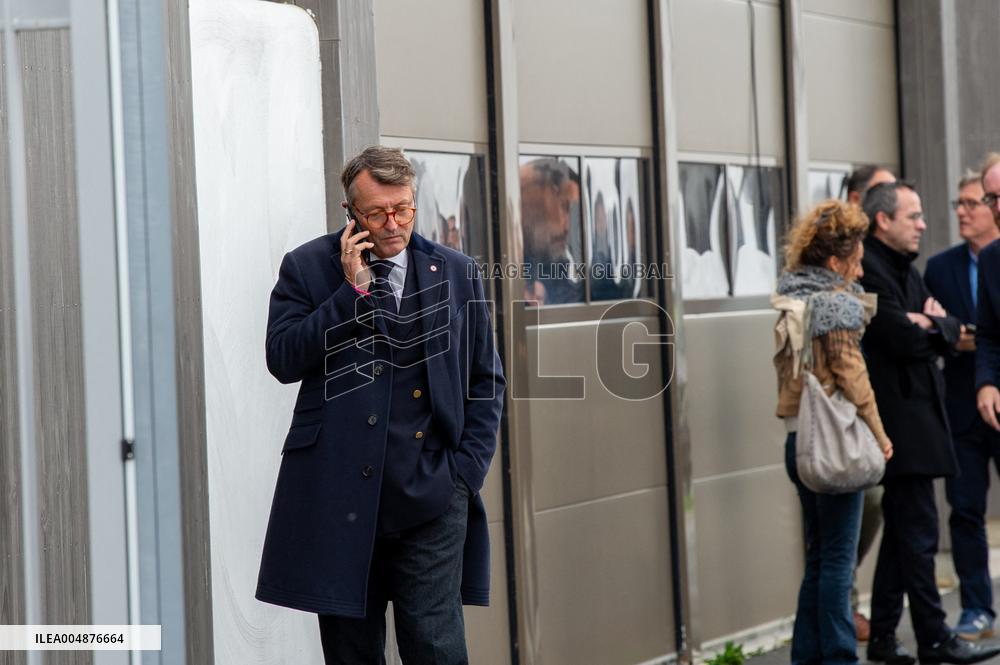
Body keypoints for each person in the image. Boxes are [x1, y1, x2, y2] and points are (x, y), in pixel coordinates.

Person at [255, 146, 506, 664]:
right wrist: (349, 295)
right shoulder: (307, 268)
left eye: (404, 209)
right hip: (340, 500)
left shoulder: (457, 272)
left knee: (436, 648)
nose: (393, 223)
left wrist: (465, 474)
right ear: (351, 213)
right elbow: (282, 360)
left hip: (432, 497)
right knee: (352, 653)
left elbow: (486, 380)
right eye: (377, 213)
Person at [860, 181, 1000, 664]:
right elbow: (900, 336)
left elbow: (949, 328)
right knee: (919, 533)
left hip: (919, 418)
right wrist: (933, 326)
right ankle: (934, 639)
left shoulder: (903, 268)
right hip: (903, 424)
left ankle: (881, 637)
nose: (924, 224)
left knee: (904, 536)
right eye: (913, 216)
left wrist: (933, 325)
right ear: (883, 220)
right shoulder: (872, 270)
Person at [772, 200, 893, 665]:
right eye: (857, 261)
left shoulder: (791, 296)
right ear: (835, 262)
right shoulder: (836, 307)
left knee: (820, 558)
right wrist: (879, 435)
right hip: (835, 446)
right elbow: (854, 381)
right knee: (839, 561)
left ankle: (808, 656)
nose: (860, 270)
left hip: (797, 442)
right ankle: (840, 657)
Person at [924, 168, 1000, 640]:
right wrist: (980, 369)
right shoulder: (943, 267)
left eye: (976, 201)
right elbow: (980, 333)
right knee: (965, 510)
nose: (966, 211)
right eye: (968, 202)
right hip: (963, 402)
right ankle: (977, 609)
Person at [842, 164, 898, 642]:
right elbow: (850, 371)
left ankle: (843, 613)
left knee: (866, 511)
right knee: (841, 530)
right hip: (843, 424)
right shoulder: (835, 284)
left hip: (866, 415)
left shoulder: (880, 261)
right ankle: (839, 625)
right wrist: (880, 436)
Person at [976, 153, 1000, 436]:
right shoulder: (990, 259)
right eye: (990, 198)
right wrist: (986, 382)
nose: (998, 207)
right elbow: (989, 334)